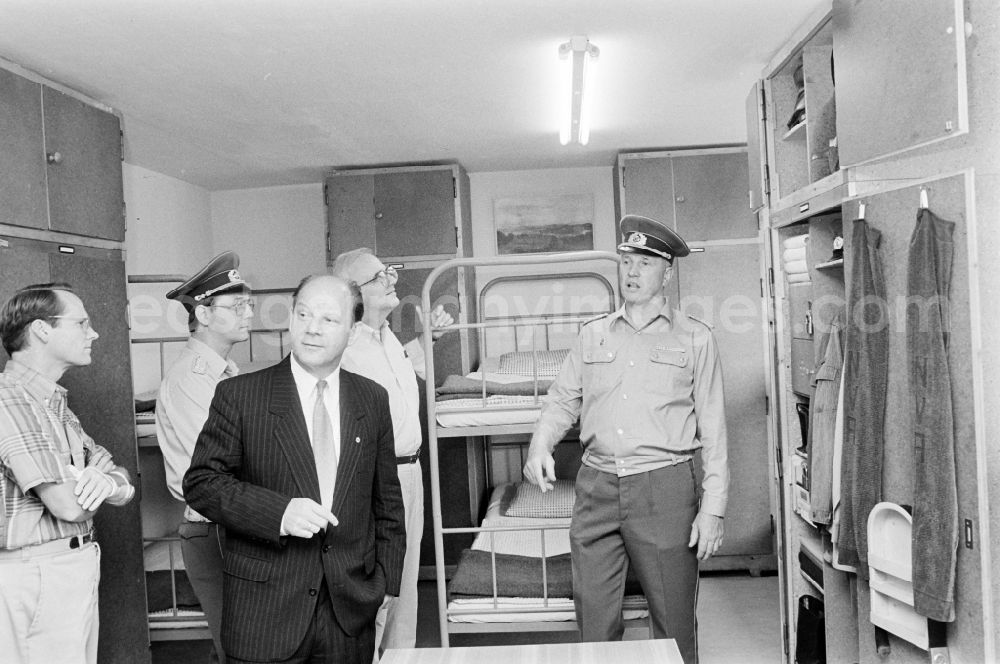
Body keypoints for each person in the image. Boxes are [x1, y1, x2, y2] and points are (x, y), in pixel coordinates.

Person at [522, 215, 728, 664]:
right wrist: (540, 444)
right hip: (596, 487)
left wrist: (713, 508)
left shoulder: (695, 338)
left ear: (668, 273)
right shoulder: (592, 333)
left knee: (673, 628)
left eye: (646, 263)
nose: (632, 272)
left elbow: (714, 430)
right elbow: (562, 401)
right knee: (594, 625)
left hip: (666, 489)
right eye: (627, 261)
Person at [184, 274, 406, 664]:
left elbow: (386, 501)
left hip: (349, 614)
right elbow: (202, 483)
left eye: (328, 320)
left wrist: (386, 583)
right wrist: (279, 513)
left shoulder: (371, 399)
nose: (312, 329)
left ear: (352, 332)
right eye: (303, 314)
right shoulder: (241, 395)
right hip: (265, 612)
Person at [0, 283, 135, 664]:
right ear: (42, 330)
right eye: (81, 323)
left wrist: (106, 481)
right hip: (38, 576)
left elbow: (119, 475)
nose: (93, 333)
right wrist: (99, 487)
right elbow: (68, 506)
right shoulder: (8, 397)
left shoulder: (54, 404)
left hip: (64, 571)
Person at [331, 248, 453, 657]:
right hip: (374, 481)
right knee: (377, 586)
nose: (393, 280)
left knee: (405, 587)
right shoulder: (341, 349)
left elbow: (399, 374)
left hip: (410, 474)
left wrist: (424, 341)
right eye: (380, 276)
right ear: (354, 294)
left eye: (390, 272)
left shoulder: (385, 339)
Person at [155, 251, 254, 663]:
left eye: (248, 304)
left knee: (248, 641)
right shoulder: (191, 378)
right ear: (205, 313)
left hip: (232, 522)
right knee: (237, 646)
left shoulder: (223, 371)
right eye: (237, 306)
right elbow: (223, 461)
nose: (249, 314)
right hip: (213, 527)